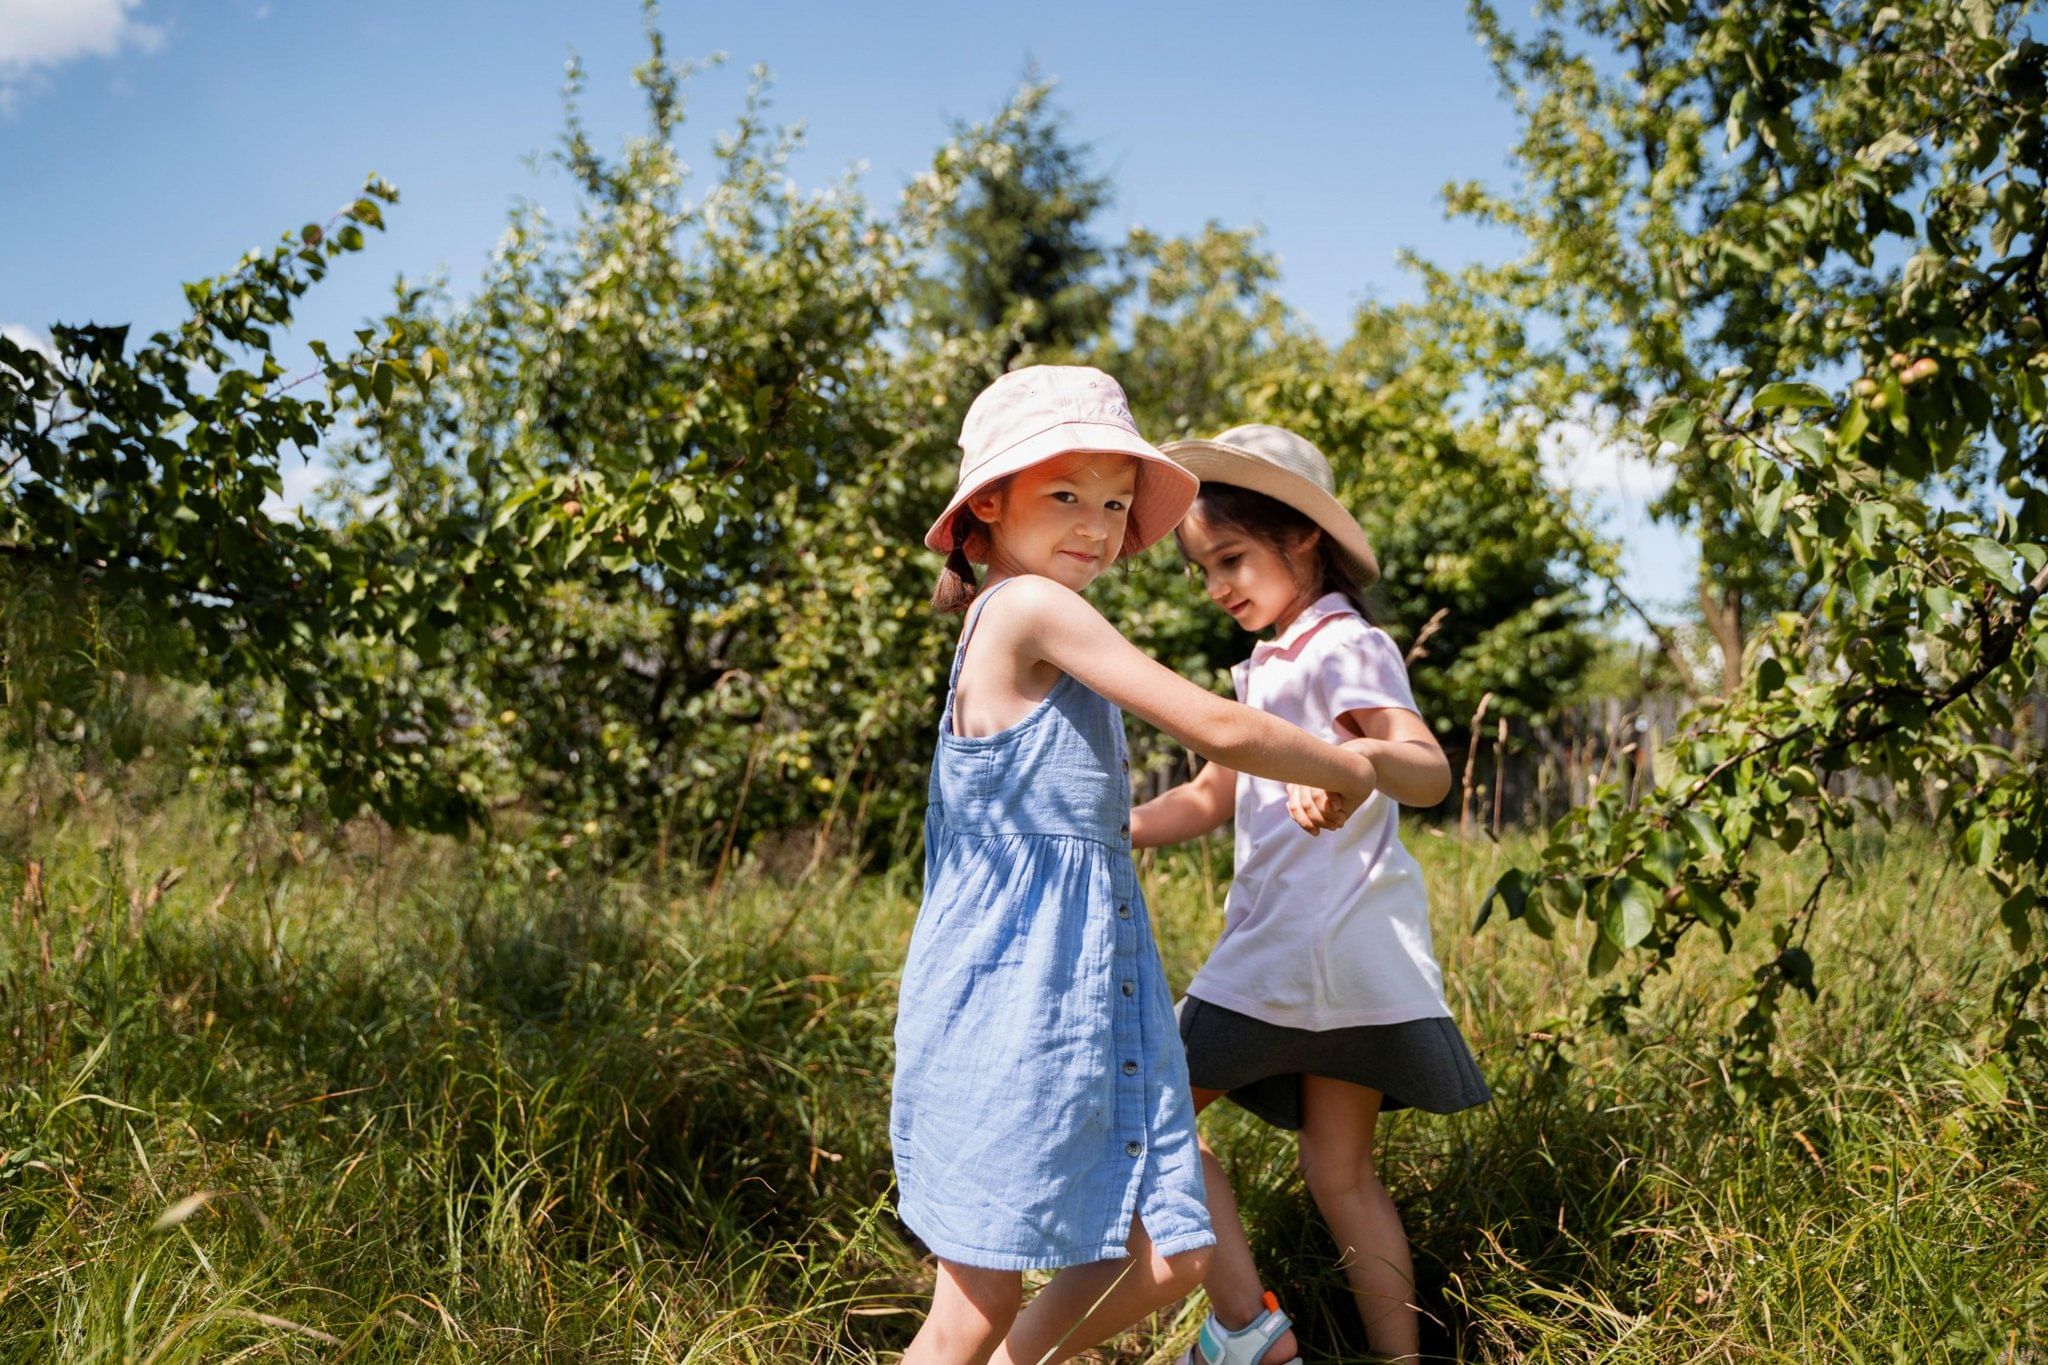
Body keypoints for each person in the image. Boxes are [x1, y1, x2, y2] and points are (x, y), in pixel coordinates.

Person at [892, 371, 1382, 1365]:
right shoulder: (1027, 606)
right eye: (1064, 495)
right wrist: (1351, 767)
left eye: (1115, 504)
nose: (1096, 526)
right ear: (990, 502)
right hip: (1013, 1000)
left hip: (1089, 991)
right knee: (974, 1301)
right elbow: (1211, 722)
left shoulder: (1031, 621)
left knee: (1174, 1245)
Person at [1134, 424, 1491, 1365]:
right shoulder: (1266, 665)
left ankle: (1250, 1327)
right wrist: (1118, 826)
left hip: (1289, 950)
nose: (1217, 586)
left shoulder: (1343, 645)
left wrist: (1354, 760)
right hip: (1350, 962)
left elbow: (1426, 769)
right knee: (1342, 1172)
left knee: (1142, 1112)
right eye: (1203, 569)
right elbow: (1212, 795)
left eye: (1231, 558)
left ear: (1303, 537)